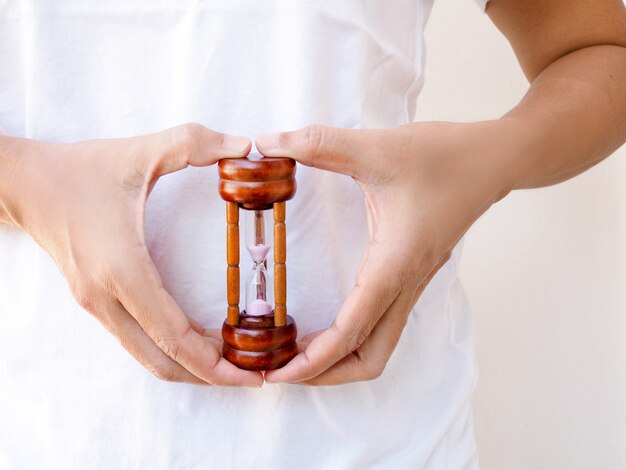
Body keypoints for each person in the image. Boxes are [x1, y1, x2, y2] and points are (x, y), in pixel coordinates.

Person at [1, 0, 625, 468]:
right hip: (63, 429)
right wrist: (29, 186)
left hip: (382, 442)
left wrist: (484, 165)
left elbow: (601, 51)